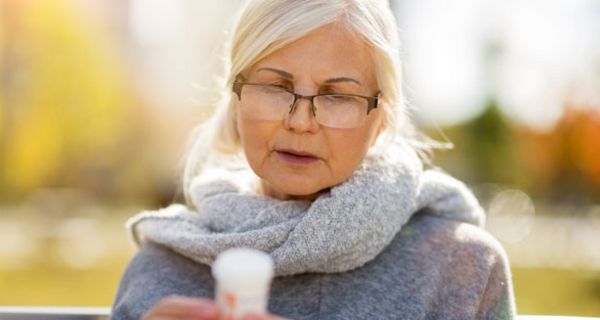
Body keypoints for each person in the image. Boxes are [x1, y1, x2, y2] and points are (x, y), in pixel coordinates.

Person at [110, 0, 517, 319]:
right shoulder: (159, 269)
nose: (301, 122)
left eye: (338, 95)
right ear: (235, 101)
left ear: (381, 120)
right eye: (274, 86)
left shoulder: (461, 267)